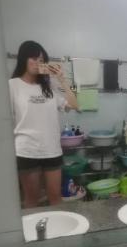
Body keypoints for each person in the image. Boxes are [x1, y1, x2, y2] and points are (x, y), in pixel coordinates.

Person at [8, 40, 78, 208]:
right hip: (26, 150)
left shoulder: (49, 87)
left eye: (41, 60)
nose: (38, 63)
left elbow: (74, 105)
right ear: (23, 59)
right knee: (32, 200)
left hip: (52, 149)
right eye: (34, 58)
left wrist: (62, 80)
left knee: (55, 198)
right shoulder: (12, 85)